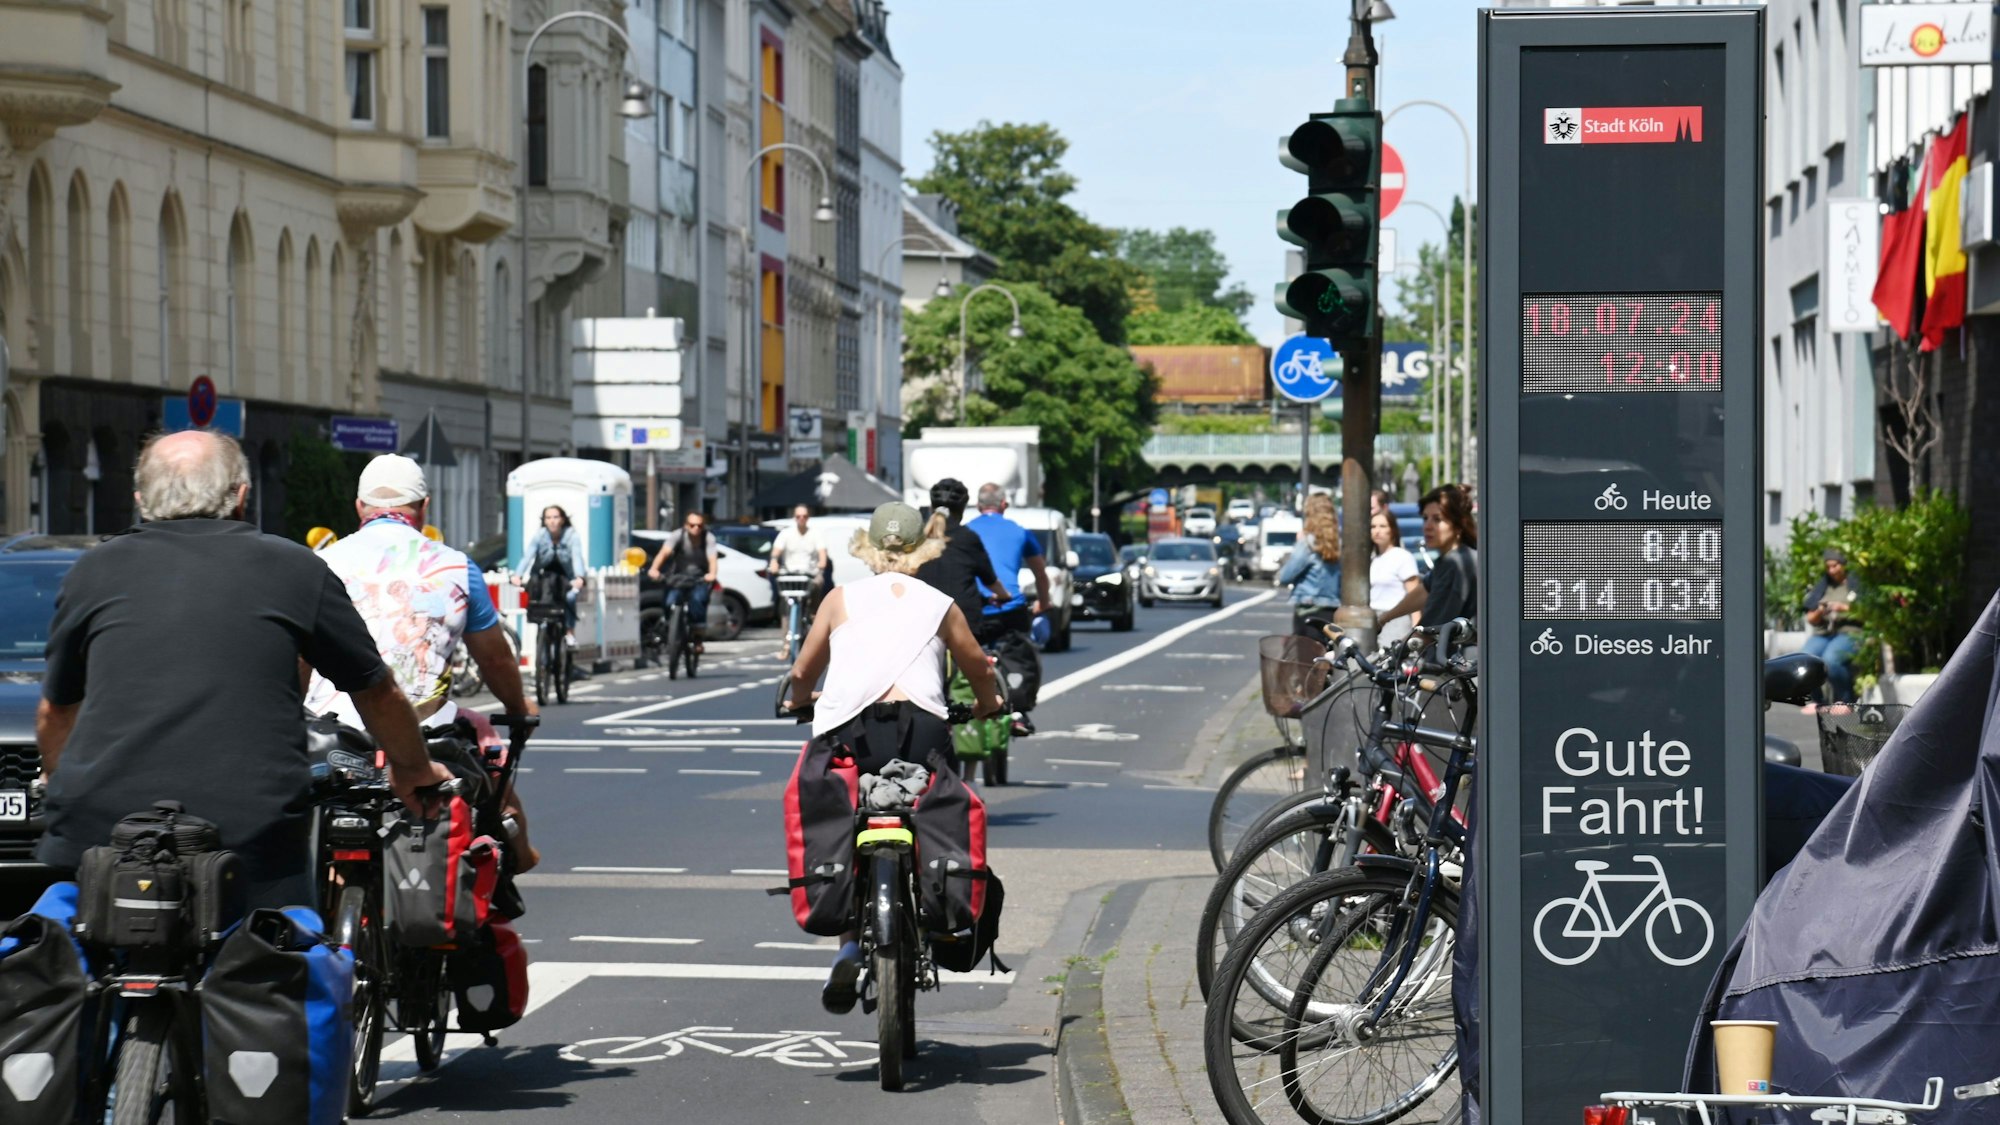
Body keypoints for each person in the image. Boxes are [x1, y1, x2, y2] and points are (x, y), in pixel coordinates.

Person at [35, 431, 451, 911]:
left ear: (138, 501)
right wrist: (413, 768)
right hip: (248, 833)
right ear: (241, 495)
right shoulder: (294, 569)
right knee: (283, 947)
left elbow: (56, 712)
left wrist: (57, 781)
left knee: (70, 939)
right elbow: (376, 693)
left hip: (103, 833)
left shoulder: (92, 571)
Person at [781, 501, 1004, 1014]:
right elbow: (977, 667)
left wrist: (797, 700)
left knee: (839, 813)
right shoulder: (940, 603)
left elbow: (801, 673)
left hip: (848, 729)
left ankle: (844, 945)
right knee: (933, 806)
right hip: (921, 726)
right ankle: (939, 912)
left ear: (869, 549)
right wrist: (988, 705)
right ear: (923, 550)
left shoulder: (840, 599)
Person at [305, 455, 542, 870]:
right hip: (425, 729)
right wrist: (519, 708)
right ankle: (516, 850)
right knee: (488, 753)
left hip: (332, 731)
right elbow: (495, 659)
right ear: (424, 508)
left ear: (359, 507)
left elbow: (301, 655)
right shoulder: (456, 566)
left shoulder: (321, 564)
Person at [1381, 483, 1479, 635]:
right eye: (1425, 518)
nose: (1427, 526)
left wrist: (1406, 645)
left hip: (1457, 655)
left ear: (1459, 525)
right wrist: (1384, 619)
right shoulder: (1449, 560)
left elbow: (1432, 626)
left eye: (1437, 519)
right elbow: (1424, 590)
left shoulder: (1455, 564)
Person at [965, 483, 1051, 646]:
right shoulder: (1021, 531)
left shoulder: (965, 532)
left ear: (978, 506)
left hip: (975, 609)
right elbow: (1041, 574)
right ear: (1004, 505)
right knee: (1019, 658)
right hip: (1010, 608)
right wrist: (1044, 605)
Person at [914, 478, 1004, 624]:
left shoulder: (917, 537)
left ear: (931, 507)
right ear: (962, 510)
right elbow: (990, 581)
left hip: (922, 619)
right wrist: (1004, 595)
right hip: (962, 621)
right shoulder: (968, 537)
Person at [1800, 548, 1867, 704]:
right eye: (1828, 567)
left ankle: (1844, 700)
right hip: (1825, 633)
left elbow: (1866, 612)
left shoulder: (1855, 583)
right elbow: (1811, 618)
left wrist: (1842, 608)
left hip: (1850, 631)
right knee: (1806, 659)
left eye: (1835, 566)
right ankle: (1818, 702)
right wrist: (1821, 611)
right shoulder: (1824, 585)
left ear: (1843, 564)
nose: (1831, 570)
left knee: (1831, 660)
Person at [646, 510, 721, 649]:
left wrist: (712, 574)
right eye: (692, 525)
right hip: (677, 577)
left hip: (699, 577)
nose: (696, 528)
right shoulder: (677, 535)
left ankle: (697, 638)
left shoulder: (708, 538)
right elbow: (663, 553)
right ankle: (672, 628)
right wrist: (654, 569)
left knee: (698, 601)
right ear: (686, 525)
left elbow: (712, 559)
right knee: (669, 602)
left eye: (699, 525)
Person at [513, 505, 588, 642]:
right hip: (543, 577)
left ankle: (570, 632)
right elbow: (527, 556)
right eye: (548, 518)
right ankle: (541, 631)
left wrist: (579, 577)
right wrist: (518, 575)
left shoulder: (572, 535)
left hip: (566, 577)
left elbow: (577, 557)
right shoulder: (539, 535)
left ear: (563, 520)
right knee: (537, 599)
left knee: (570, 598)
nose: (552, 521)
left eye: (555, 517)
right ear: (544, 521)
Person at [1278, 493, 1342, 639]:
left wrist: (1298, 542)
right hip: (1332, 609)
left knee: (1307, 658)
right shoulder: (1338, 543)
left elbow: (1286, 576)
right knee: (1326, 656)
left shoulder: (1307, 543)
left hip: (1308, 609)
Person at [1369, 508, 1422, 648]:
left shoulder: (1402, 557)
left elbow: (1415, 595)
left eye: (1382, 526)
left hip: (1395, 620)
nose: (1377, 531)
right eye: (1373, 526)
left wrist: (1416, 629)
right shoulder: (1372, 559)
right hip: (1372, 620)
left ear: (1392, 529)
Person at [765, 503, 831, 610]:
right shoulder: (786, 533)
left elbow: (822, 552)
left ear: (808, 518)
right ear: (794, 517)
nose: (801, 519)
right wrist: (774, 560)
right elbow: (776, 551)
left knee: (818, 586)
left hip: (810, 574)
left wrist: (822, 562)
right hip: (790, 574)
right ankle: (786, 622)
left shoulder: (815, 534)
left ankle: (814, 616)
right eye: (798, 516)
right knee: (783, 599)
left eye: (804, 516)